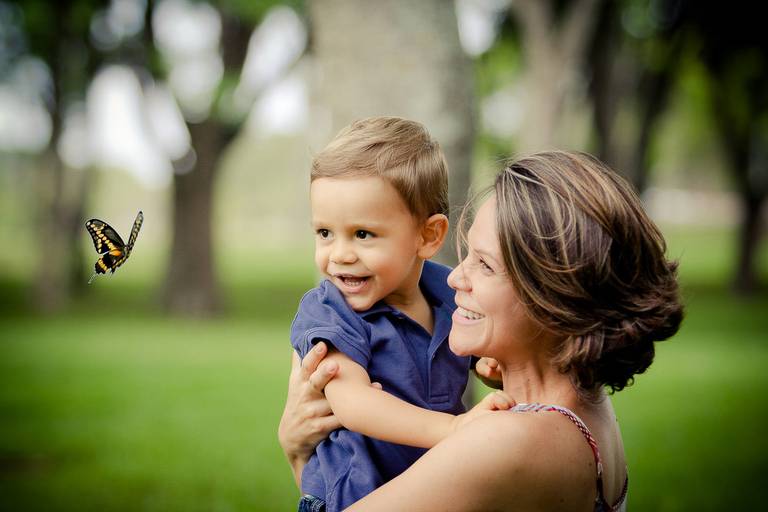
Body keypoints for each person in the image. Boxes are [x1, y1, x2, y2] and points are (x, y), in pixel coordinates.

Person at [280, 150, 684, 510]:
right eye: (467, 255)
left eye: (485, 265)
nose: (455, 277)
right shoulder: (586, 411)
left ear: (550, 296)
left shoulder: (510, 441)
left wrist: (299, 456)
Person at [289, 117, 512, 512]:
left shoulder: (449, 291)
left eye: (362, 234)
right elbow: (353, 403)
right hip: (353, 496)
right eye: (324, 233)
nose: (339, 254)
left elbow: (479, 351)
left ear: (427, 236)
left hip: (434, 489)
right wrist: (456, 429)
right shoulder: (330, 310)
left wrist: (493, 367)